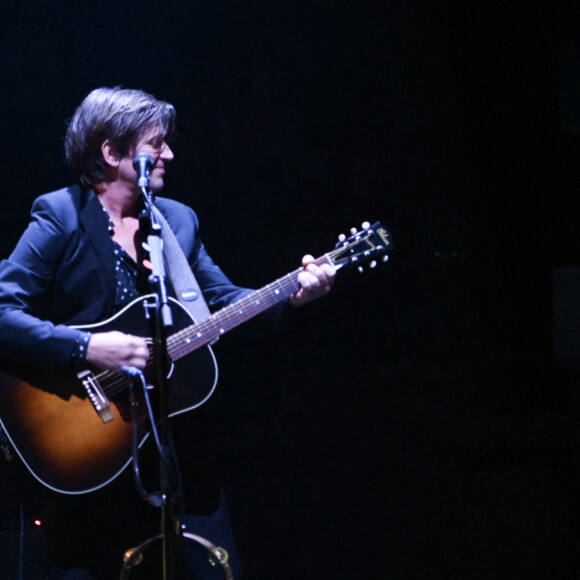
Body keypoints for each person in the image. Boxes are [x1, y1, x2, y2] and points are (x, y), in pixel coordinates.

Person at [0, 87, 335, 579]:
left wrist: (294, 296)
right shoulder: (60, 216)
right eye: (156, 145)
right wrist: (88, 345)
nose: (170, 155)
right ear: (111, 153)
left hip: (175, 449)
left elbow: (218, 299)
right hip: (87, 446)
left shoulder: (176, 220)